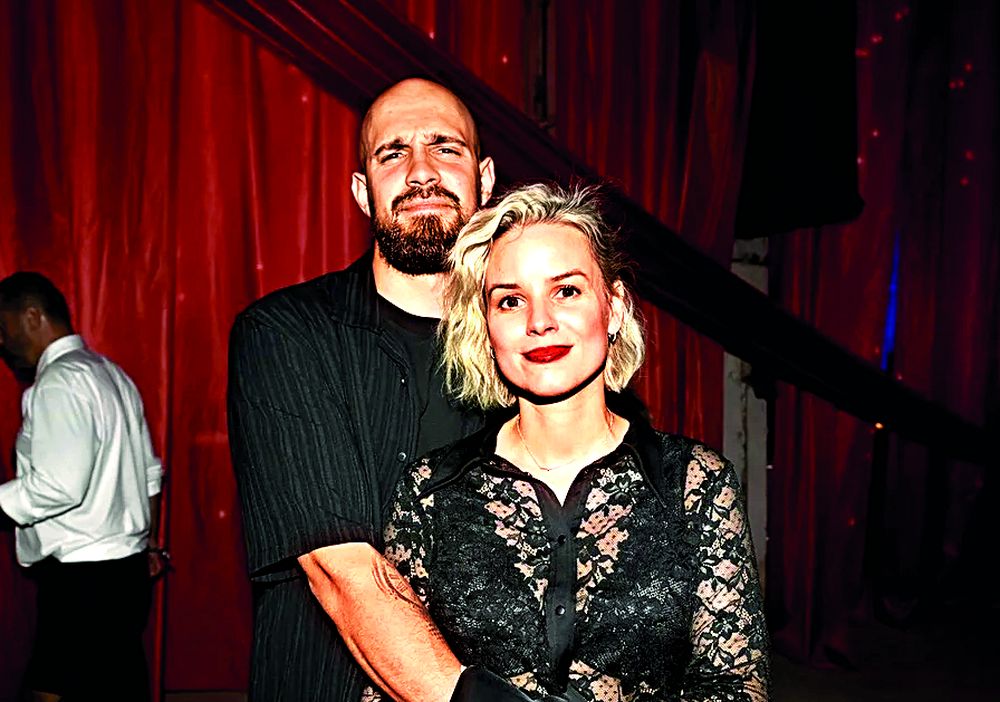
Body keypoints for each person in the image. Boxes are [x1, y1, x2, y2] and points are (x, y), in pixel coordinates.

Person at [367, 183, 770, 702]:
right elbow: (389, 685)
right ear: (487, 329)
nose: (539, 322)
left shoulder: (695, 482)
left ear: (614, 307)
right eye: (510, 301)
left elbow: (737, 687)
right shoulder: (430, 490)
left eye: (566, 291)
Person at [229, 77, 535, 702]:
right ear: (362, 191)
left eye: (445, 147)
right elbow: (343, 574)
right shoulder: (286, 333)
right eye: (393, 153)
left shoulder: (536, 344)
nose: (421, 171)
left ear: (485, 178)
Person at [0, 271, 165, 702]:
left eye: (3, 327)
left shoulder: (59, 381)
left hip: (82, 578)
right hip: (125, 571)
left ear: (32, 316)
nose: (2, 341)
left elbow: (57, 487)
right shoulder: (110, 373)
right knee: (117, 687)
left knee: (48, 691)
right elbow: (149, 473)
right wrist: (148, 542)